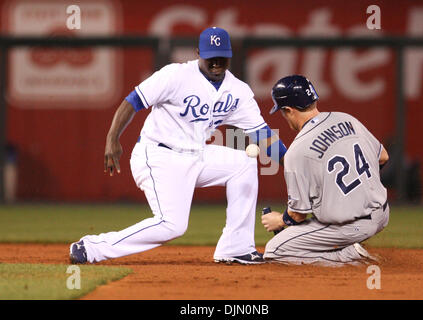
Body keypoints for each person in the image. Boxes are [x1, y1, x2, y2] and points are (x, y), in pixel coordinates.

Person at [69, 27, 286, 265]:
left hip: (197, 154)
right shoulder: (175, 75)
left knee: (243, 163)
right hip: (158, 155)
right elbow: (133, 101)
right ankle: (91, 247)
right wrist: (113, 138)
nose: (216, 63)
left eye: (221, 57)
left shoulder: (238, 91)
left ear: (230, 55)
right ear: (198, 53)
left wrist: (294, 163)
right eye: (210, 57)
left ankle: (236, 247)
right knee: (172, 226)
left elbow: (263, 136)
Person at [261, 75, 389, 266]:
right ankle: (349, 246)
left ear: (288, 110)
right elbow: (383, 157)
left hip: (350, 227)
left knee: (275, 251)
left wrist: (280, 220)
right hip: (383, 213)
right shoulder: (347, 119)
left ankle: (350, 257)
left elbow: (297, 215)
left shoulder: (296, 152)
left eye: (282, 111)